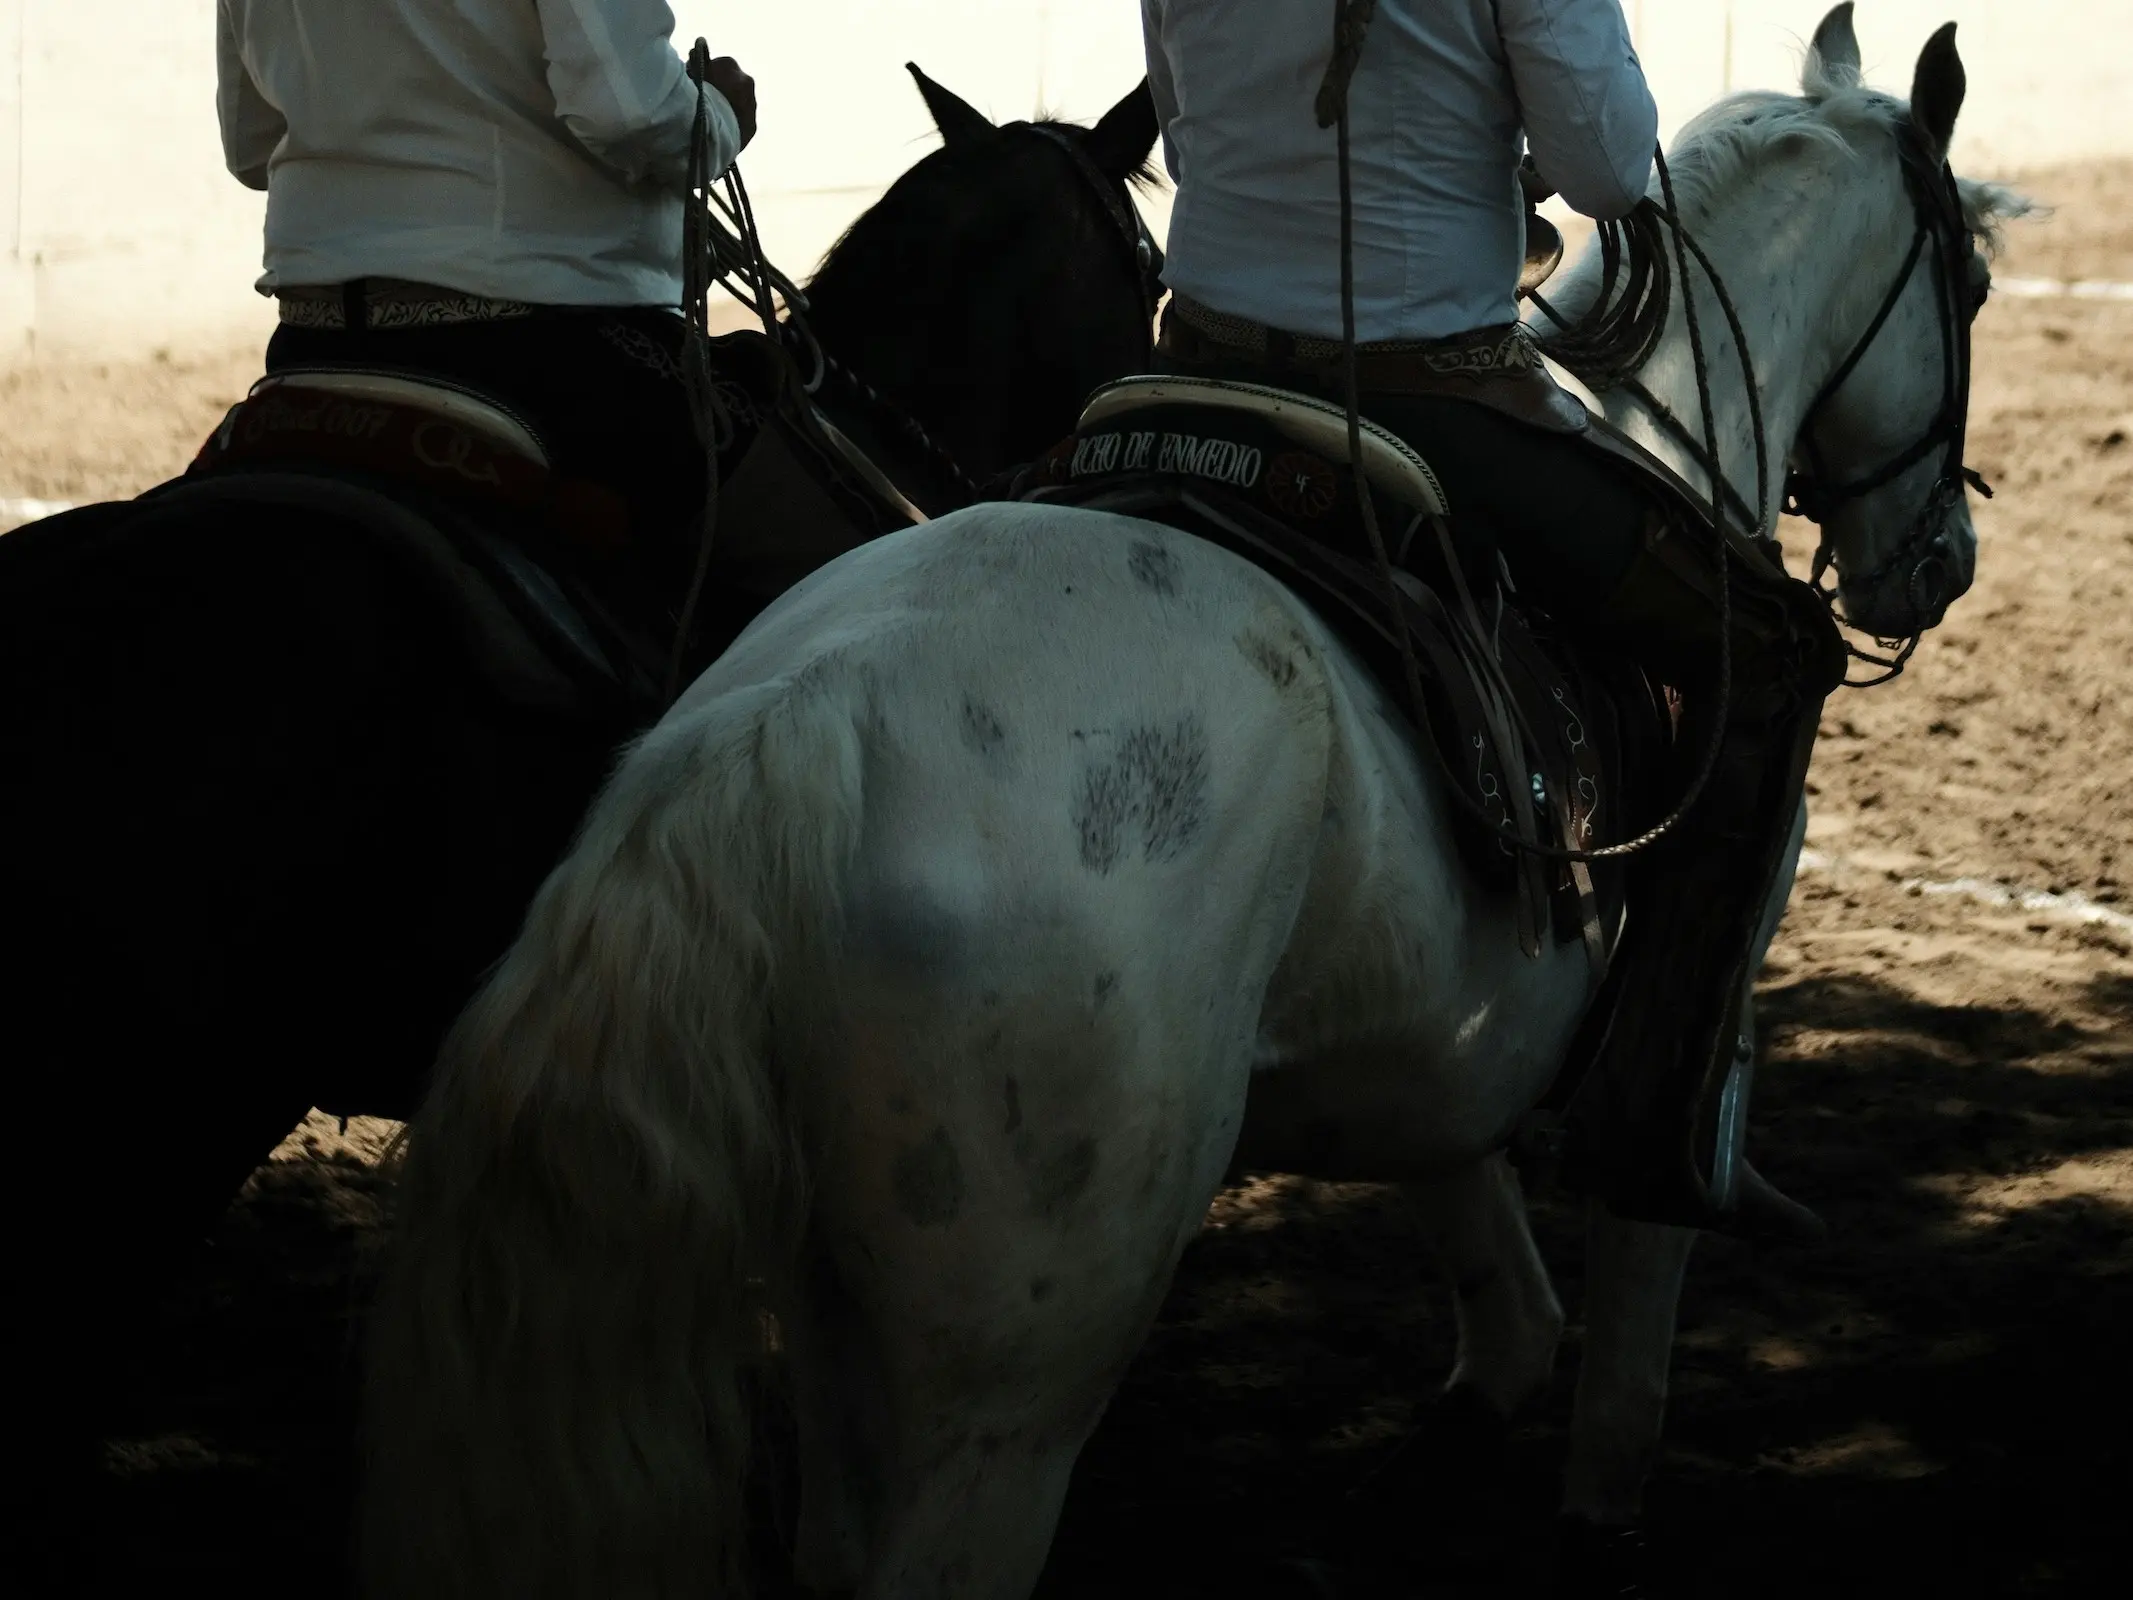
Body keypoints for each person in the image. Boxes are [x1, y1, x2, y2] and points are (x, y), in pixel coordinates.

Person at [1140, 0, 1846, 1241]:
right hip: (1423, 403)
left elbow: (1189, 137)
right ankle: (1651, 1116)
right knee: (1772, 655)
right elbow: (1610, 169)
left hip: (1188, 373)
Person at [216, 0, 756, 571]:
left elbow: (251, 144)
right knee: (804, 514)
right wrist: (719, 113)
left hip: (313, 342)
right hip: (540, 347)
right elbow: (631, 113)